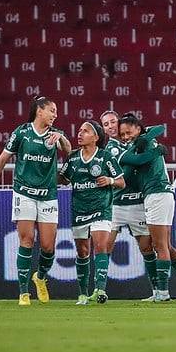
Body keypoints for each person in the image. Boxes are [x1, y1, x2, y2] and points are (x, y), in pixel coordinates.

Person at [0, 96, 71, 305]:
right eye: (52, 110)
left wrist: (61, 138)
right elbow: (1, 161)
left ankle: (39, 277)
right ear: (40, 111)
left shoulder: (55, 134)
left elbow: (69, 151)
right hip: (24, 194)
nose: (55, 115)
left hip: (48, 195)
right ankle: (23, 292)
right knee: (27, 240)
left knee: (48, 247)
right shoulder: (22, 133)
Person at [118, 117, 176, 302]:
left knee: (159, 246)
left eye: (128, 132)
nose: (125, 136)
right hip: (161, 194)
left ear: (138, 129)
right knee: (166, 244)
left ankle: (163, 293)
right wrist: (154, 149)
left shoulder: (146, 141)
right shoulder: (137, 148)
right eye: (122, 134)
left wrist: (146, 139)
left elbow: (159, 127)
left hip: (157, 194)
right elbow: (136, 159)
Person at [59, 121, 124, 305]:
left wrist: (110, 180)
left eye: (85, 131)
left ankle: (100, 289)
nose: (80, 133)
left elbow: (121, 182)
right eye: (79, 130)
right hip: (79, 209)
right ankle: (82, 293)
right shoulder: (72, 158)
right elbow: (62, 179)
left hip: (101, 208)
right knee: (82, 252)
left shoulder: (105, 157)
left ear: (96, 137)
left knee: (100, 246)